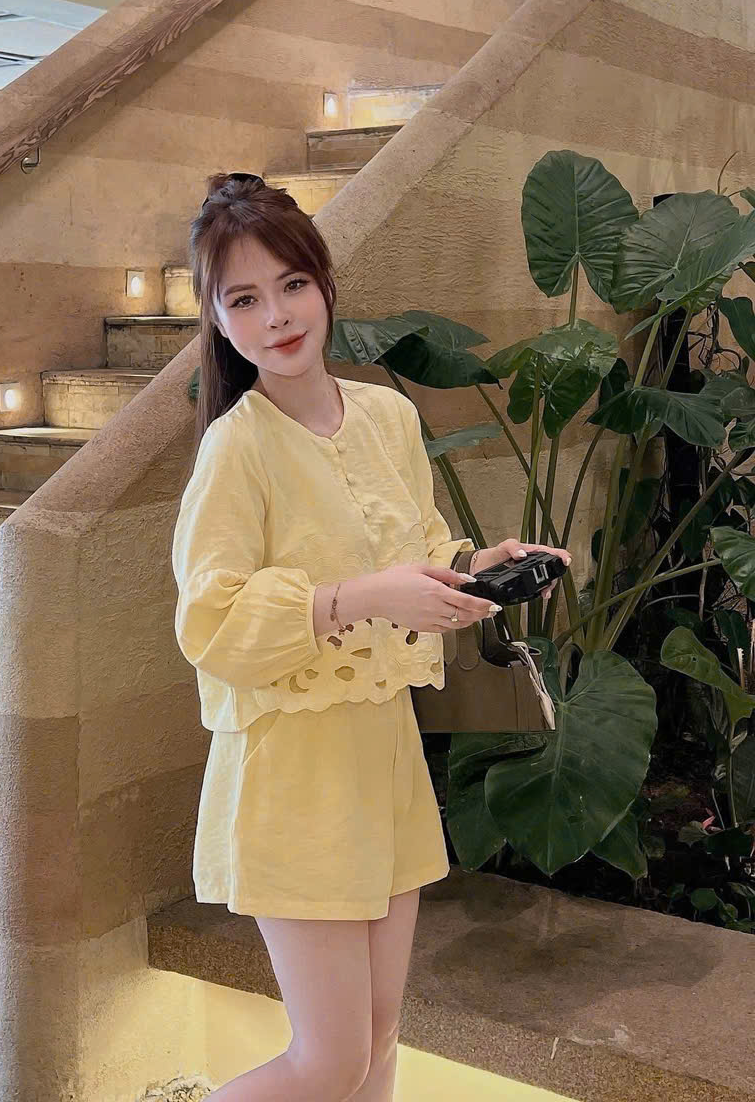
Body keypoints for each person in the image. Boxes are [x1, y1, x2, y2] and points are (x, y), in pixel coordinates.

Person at [171, 173, 571, 1102]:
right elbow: (211, 622)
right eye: (243, 299)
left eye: (291, 285)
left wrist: (476, 568)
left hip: (383, 757)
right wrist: (353, 599)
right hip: (293, 772)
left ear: (325, 284)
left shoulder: (388, 417)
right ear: (218, 321)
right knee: (329, 1061)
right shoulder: (237, 447)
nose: (276, 315)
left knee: (380, 1043)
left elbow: (415, 550)